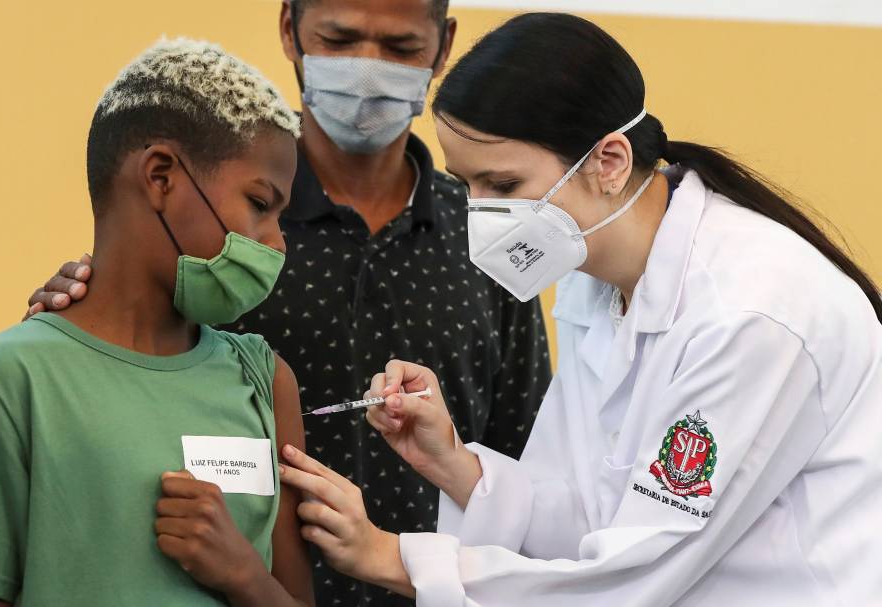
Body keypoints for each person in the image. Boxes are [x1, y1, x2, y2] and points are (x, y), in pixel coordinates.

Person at [269, 12, 882, 605]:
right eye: (468, 183)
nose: (476, 211)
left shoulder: (751, 313)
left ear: (609, 163)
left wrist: (389, 556)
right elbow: (589, 517)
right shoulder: (593, 277)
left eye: (503, 186)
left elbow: (627, 576)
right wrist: (455, 464)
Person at [24, 2, 552, 605]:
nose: (367, 71)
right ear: (288, 30)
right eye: (340, 39)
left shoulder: (487, 229)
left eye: (400, 48)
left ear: (444, 44)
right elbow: (121, 378)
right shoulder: (219, 224)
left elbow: (527, 459)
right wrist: (74, 322)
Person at [0, 39, 314, 607]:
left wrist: (244, 576)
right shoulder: (10, 378)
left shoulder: (265, 382)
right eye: (259, 203)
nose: (276, 241)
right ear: (161, 176)